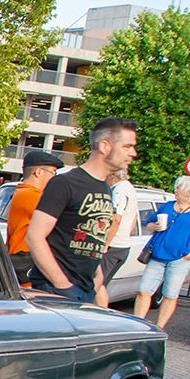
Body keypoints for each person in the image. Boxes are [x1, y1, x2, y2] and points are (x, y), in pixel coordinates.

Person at [25, 117, 136, 303]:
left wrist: (98, 274)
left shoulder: (105, 188)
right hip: (56, 291)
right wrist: (62, 285)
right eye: (127, 146)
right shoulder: (64, 183)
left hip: (86, 289)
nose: (133, 153)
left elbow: (96, 236)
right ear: (105, 146)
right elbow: (34, 236)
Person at [131, 175, 190, 329]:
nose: (176, 191)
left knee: (170, 294)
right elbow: (150, 224)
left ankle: (159, 328)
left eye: (179, 189)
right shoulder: (167, 206)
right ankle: (137, 325)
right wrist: (155, 227)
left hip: (180, 259)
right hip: (157, 255)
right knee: (144, 290)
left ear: (188, 193)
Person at [5, 149, 64, 284]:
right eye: (53, 172)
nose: (54, 177)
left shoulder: (21, 192)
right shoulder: (32, 196)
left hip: (21, 265)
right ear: (38, 172)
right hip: (26, 267)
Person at [96, 169, 139, 306]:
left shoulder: (119, 190)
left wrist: (106, 243)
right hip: (123, 244)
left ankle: (101, 313)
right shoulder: (130, 188)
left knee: (97, 281)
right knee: (102, 282)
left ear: (112, 175)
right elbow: (134, 219)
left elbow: (116, 219)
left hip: (113, 245)